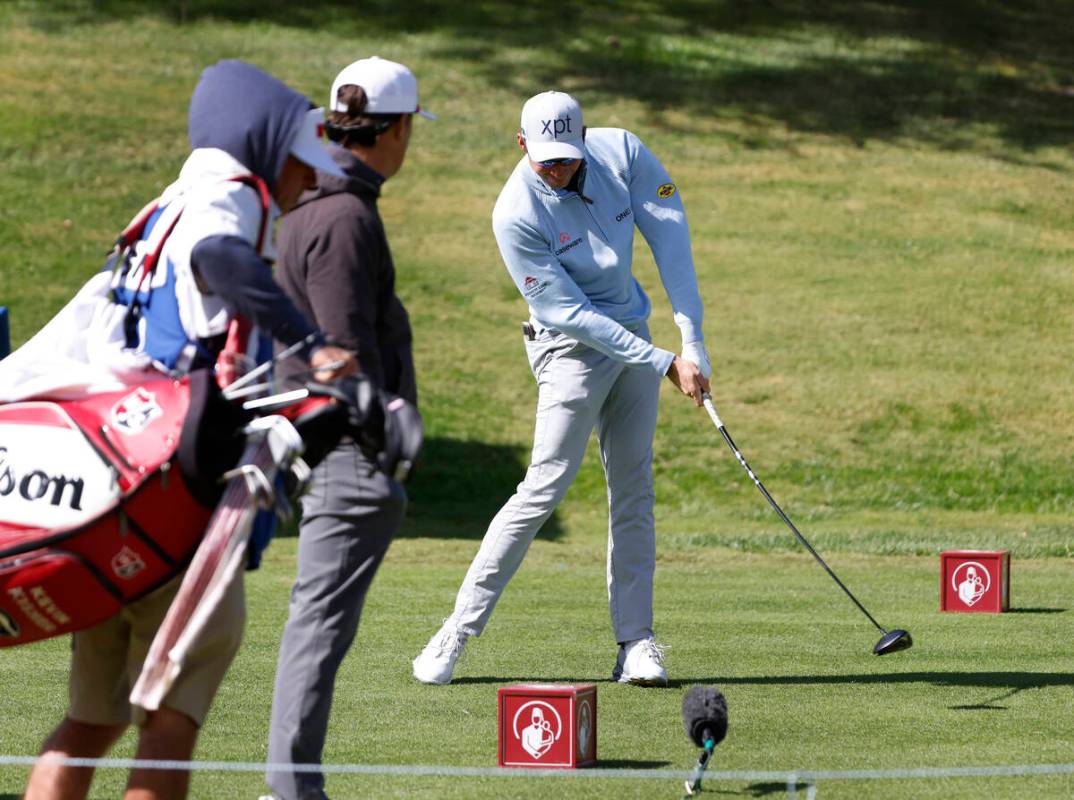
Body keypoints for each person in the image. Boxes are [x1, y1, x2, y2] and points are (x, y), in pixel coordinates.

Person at [23, 60, 356, 800]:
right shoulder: (231, 197)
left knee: (89, 724)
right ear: (266, 142)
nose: (311, 179)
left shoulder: (162, 205)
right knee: (170, 725)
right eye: (304, 160)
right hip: (176, 504)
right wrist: (311, 341)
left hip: (113, 496)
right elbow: (221, 257)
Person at [412, 91, 710, 687]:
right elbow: (569, 314)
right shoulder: (514, 213)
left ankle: (636, 643)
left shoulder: (621, 152)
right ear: (522, 145)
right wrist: (660, 361)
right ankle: (456, 632)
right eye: (546, 159)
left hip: (633, 335)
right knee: (543, 486)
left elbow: (670, 232)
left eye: (567, 158)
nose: (558, 169)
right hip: (568, 350)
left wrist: (691, 339)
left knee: (633, 486)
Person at [260, 56, 430, 800]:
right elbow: (342, 350)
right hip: (345, 454)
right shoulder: (344, 215)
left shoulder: (316, 203)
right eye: (410, 128)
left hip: (329, 449)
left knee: (318, 628)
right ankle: (289, 792)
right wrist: (386, 436)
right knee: (318, 630)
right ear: (394, 129)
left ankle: (292, 788)